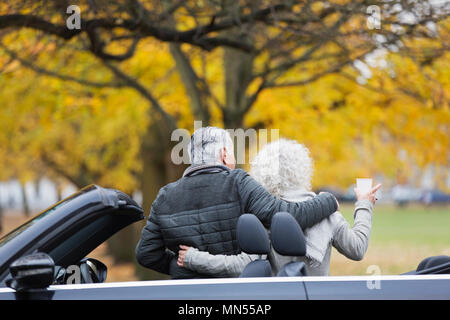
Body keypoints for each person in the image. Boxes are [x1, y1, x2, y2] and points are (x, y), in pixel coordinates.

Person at [135, 128, 339, 279]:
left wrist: (179, 266)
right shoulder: (238, 182)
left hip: (186, 296)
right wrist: (328, 200)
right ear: (224, 154)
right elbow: (287, 216)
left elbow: (146, 253)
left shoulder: (165, 196)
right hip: (234, 293)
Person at [177, 138, 381, 277]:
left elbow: (238, 265)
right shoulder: (326, 212)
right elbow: (357, 248)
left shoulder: (259, 213)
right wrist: (364, 204)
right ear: (303, 169)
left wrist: (194, 258)